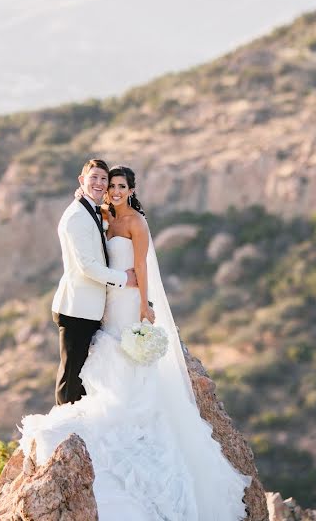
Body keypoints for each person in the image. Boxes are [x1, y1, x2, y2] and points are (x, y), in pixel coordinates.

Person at [21, 165, 250, 520]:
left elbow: (142, 268)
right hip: (105, 302)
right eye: (108, 184)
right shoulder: (101, 216)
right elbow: (87, 248)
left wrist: (145, 304)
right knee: (89, 366)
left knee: (122, 364)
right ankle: (85, 423)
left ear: (131, 189)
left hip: (127, 300)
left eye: (118, 185)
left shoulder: (134, 222)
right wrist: (85, 197)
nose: (112, 189)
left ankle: (133, 426)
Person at [51, 158, 139, 405]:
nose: (100, 184)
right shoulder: (77, 216)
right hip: (77, 308)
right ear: (82, 180)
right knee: (71, 375)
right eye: (94, 178)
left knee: (82, 375)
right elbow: (87, 266)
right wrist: (124, 278)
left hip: (89, 308)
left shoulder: (89, 209)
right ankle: (64, 427)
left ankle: (77, 423)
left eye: (104, 179)